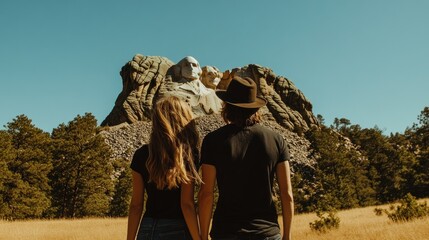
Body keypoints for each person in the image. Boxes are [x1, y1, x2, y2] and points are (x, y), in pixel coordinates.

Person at [198, 77, 294, 240]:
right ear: (255, 108)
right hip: (267, 232)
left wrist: (202, 235)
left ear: (226, 105)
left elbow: (206, 194)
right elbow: (287, 193)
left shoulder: (213, 140)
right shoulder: (276, 139)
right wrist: (287, 236)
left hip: (226, 233)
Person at [127, 96, 202, 240]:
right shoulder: (189, 154)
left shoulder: (142, 154)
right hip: (177, 228)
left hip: (147, 227)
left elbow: (136, 205)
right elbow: (186, 204)